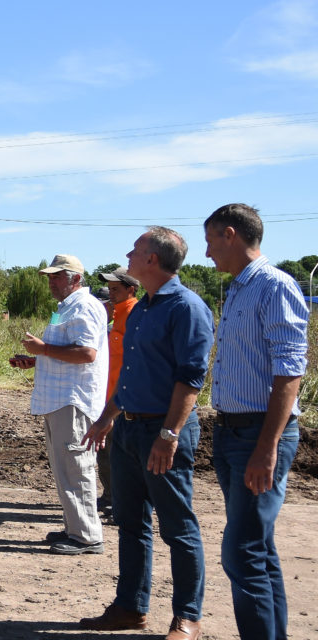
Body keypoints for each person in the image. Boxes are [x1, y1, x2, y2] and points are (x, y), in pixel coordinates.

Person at [80, 227, 213, 640]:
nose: (128, 255)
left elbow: (191, 380)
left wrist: (169, 435)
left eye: (135, 250)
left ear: (153, 260)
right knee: (131, 522)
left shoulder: (187, 308)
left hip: (162, 431)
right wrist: (108, 415)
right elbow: (132, 374)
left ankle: (187, 617)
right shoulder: (140, 309)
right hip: (128, 429)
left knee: (178, 527)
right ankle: (130, 607)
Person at [203, 203, 309, 640]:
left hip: (260, 435)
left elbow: (290, 372)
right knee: (258, 550)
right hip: (233, 433)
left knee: (242, 552)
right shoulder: (240, 290)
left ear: (231, 234)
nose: (207, 253)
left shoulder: (274, 286)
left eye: (211, 241)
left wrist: (267, 447)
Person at [9, 254, 108, 555]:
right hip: (59, 399)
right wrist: (36, 359)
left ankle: (87, 536)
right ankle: (75, 528)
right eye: (50, 277)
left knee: (76, 466)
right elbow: (65, 351)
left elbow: (87, 353)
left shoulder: (85, 306)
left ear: (75, 279)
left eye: (57, 276)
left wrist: (44, 349)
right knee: (65, 467)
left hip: (72, 399)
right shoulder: (66, 309)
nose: (51, 282)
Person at [96, 267, 141, 520]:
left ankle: (124, 504)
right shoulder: (116, 318)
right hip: (110, 397)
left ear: (131, 289)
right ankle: (112, 497)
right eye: (109, 290)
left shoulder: (135, 315)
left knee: (122, 455)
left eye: (116, 289)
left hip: (125, 401)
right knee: (107, 450)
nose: (111, 294)